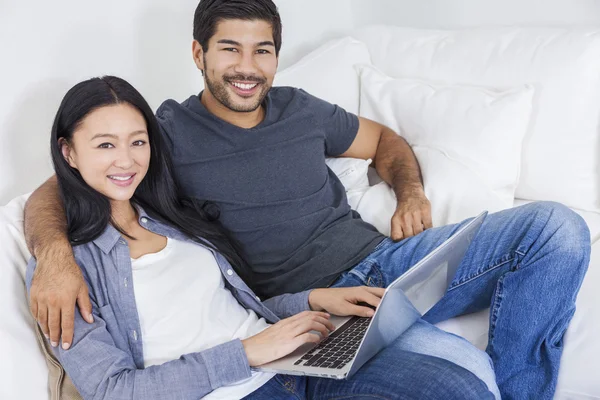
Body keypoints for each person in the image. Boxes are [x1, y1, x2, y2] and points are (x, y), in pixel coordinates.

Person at [24, 0, 590, 398]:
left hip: (386, 266)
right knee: (457, 378)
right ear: (198, 53)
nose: (247, 68)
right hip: (310, 306)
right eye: (229, 49)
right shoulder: (163, 133)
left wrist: (409, 191)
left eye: (262, 50)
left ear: (275, 55)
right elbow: (66, 183)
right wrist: (53, 255)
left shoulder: (301, 108)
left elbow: (385, 141)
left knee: (557, 231)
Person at [25, 76, 496, 399]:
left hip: (296, 361)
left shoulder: (168, 215)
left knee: (458, 388)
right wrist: (246, 354)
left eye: (138, 140)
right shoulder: (65, 270)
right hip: (241, 384)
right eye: (104, 144)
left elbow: (236, 307)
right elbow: (112, 390)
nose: (125, 160)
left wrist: (313, 300)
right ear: (67, 152)